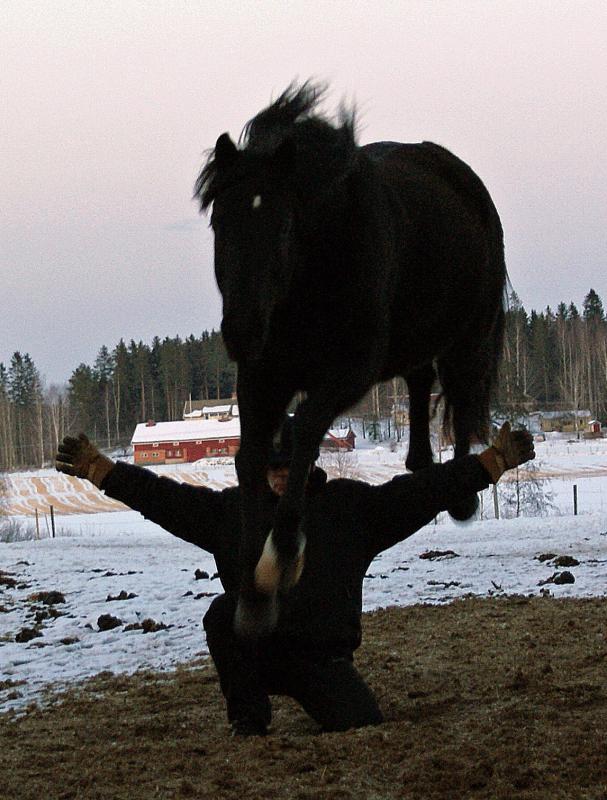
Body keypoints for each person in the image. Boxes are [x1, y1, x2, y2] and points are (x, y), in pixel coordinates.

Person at [55, 418, 534, 736]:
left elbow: (421, 492)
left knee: (362, 724)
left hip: (322, 660)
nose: (282, 476)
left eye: (291, 466)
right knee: (224, 613)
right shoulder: (233, 515)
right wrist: (102, 471)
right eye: (274, 467)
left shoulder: (349, 510)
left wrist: (491, 463)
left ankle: (326, 701)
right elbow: (164, 498)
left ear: (310, 465)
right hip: (258, 649)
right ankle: (248, 716)